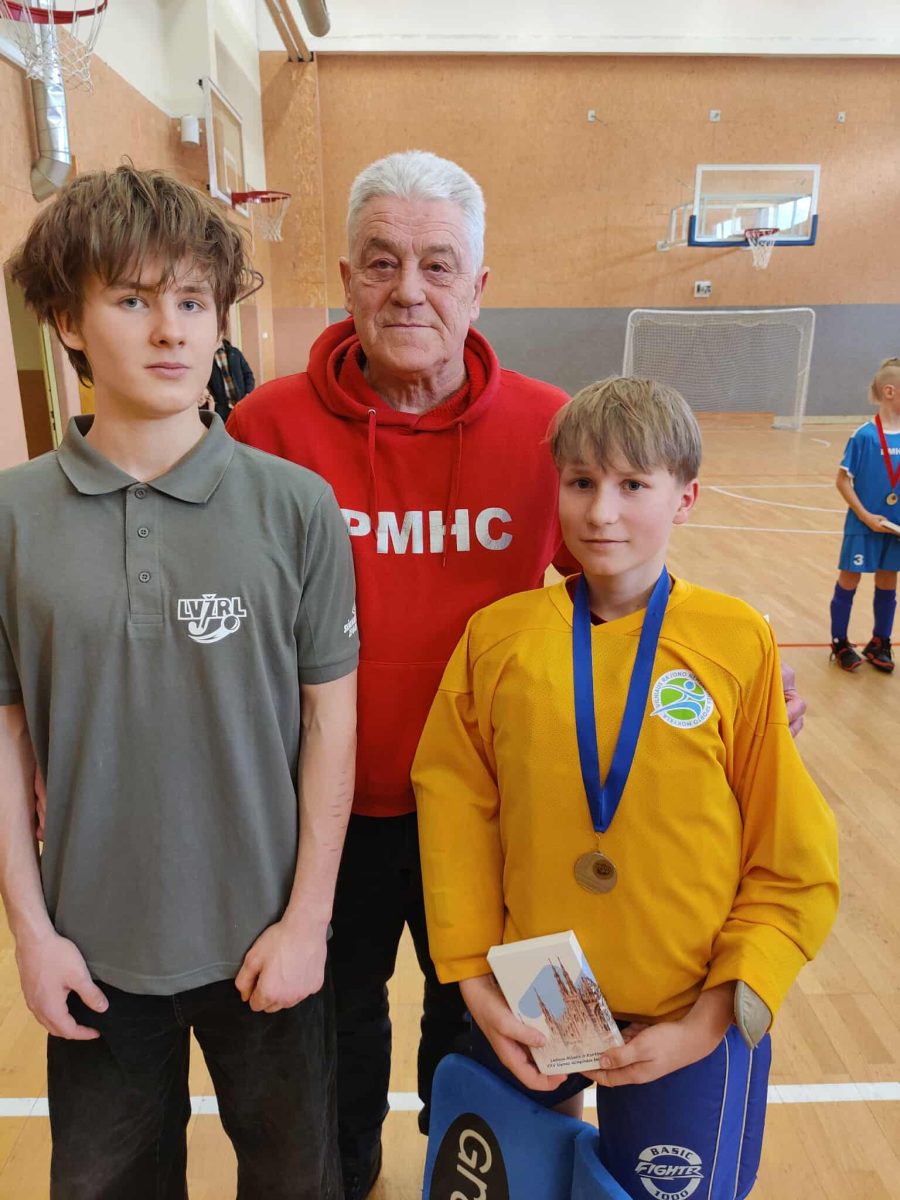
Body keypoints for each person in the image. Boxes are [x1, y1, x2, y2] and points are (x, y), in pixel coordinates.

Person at [226, 150, 808, 1200]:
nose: (410, 290)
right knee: (329, 1053)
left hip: (504, 831)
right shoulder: (265, 431)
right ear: (348, 278)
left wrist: (737, 684)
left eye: (439, 265)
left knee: (488, 1064)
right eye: (382, 262)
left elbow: (615, 594)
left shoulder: (548, 430)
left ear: (480, 286)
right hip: (318, 817)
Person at [0, 165, 358, 1199]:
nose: (170, 331)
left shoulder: (296, 507)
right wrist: (32, 936)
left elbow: (331, 726)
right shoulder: (12, 519)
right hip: (94, 953)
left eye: (194, 302)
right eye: (132, 300)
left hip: (265, 946)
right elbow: (5, 737)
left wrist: (307, 924)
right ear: (67, 321)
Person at [412, 377, 839, 1200]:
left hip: (688, 999)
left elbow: (790, 852)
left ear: (686, 498)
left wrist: (710, 1020)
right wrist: (472, 977)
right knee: (518, 1184)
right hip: (539, 988)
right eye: (581, 482)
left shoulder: (734, 642)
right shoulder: (498, 640)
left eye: (633, 484)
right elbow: (456, 814)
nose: (601, 512)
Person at [829, 356, 900, 673]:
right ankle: (840, 642)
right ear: (889, 391)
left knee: (888, 581)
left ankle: (880, 642)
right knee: (849, 579)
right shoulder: (864, 436)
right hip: (863, 525)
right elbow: (843, 480)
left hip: (895, 529)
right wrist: (865, 515)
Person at [207, 335, 256, 421]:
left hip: (242, 403)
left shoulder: (235, 353)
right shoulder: (207, 357)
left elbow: (248, 374)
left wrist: (248, 393)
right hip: (222, 410)